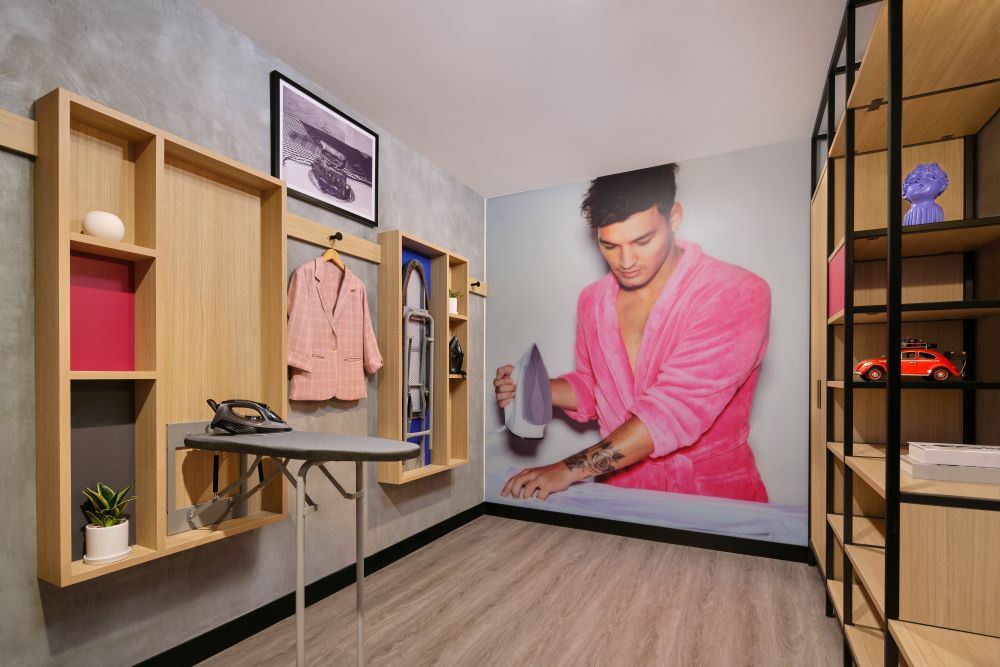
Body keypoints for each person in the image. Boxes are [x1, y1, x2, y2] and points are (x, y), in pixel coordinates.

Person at [495, 163, 770, 502]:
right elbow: (596, 388)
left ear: (674, 218)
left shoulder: (735, 292)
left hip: (713, 499)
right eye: (609, 245)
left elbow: (669, 412)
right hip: (620, 493)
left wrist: (567, 469)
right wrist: (533, 388)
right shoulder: (592, 300)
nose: (625, 261)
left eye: (643, 240)